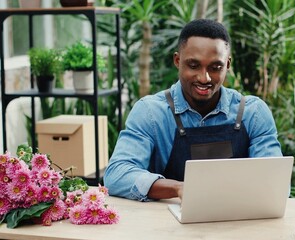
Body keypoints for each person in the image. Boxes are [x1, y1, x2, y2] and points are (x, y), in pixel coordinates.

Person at [103, 19, 282, 201]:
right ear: (177, 60)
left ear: (227, 65)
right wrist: (178, 188)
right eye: (194, 66)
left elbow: (274, 180)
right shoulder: (150, 112)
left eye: (215, 67)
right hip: (167, 224)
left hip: (238, 221)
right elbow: (117, 174)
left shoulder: (254, 113)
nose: (204, 78)